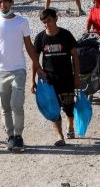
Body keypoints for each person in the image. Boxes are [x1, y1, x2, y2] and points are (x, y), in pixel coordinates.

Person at [0, 0, 43, 153]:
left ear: (12, 3)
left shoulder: (22, 22)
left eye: (5, 2)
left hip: (18, 69)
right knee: (4, 106)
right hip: (1, 70)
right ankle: (10, 136)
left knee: (16, 103)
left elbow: (29, 46)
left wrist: (38, 66)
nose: (2, 5)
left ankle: (19, 136)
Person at [32, 8, 81, 146]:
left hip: (66, 78)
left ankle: (70, 124)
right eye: (44, 22)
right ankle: (60, 136)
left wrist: (77, 77)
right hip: (49, 81)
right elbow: (35, 60)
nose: (47, 24)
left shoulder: (66, 35)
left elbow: (75, 57)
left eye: (49, 21)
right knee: (54, 109)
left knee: (69, 106)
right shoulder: (40, 38)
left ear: (56, 19)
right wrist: (32, 80)